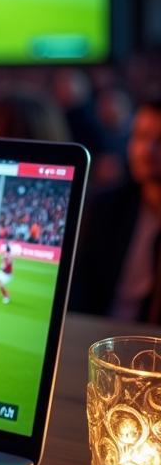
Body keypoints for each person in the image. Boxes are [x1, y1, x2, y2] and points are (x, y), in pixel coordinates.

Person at [70, 94, 161, 322]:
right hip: (98, 337)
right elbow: (81, 288)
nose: (147, 150)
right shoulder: (105, 207)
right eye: (140, 137)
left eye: (160, 141)